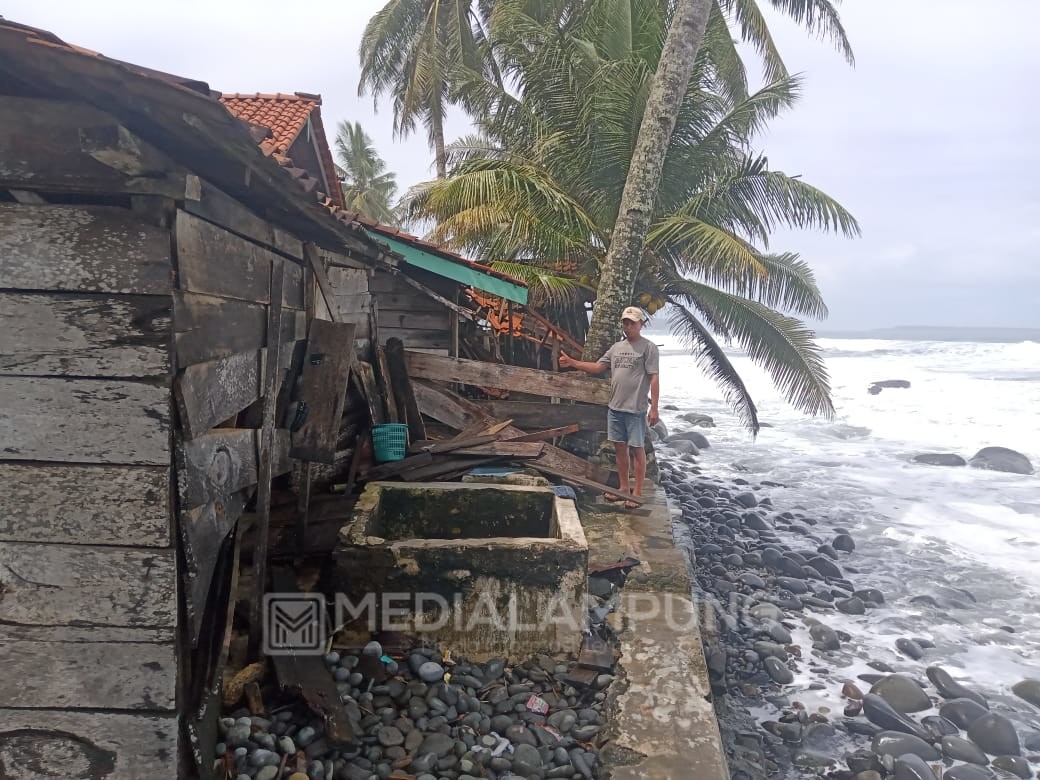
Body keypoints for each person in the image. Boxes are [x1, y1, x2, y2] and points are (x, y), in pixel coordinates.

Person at [559, 306, 660, 508]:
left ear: (641, 324)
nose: (628, 326)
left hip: (635, 410)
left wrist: (654, 407)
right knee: (619, 449)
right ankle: (623, 488)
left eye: (632, 322)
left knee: (637, 449)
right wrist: (573, 363)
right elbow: (598, 367)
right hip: (615, 409)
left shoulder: (648, 348)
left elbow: (654, 377)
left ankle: (637, 491)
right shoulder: (616, 348)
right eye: (625, 322)